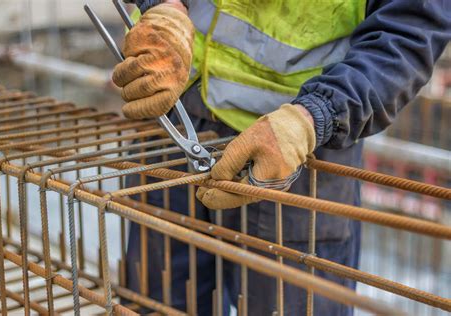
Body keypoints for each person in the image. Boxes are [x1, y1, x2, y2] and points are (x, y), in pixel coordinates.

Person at [112, 0, 451, 315]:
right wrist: (160, 7)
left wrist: (316, 116)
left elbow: (407, 32)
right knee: (155, 303)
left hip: (300, 145)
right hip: (172, 111)